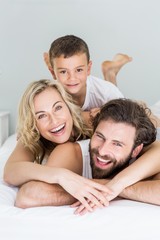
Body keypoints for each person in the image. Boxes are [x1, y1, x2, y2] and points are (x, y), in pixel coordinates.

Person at [14, 99, 160, 214]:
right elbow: (28, 195)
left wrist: (116, 187)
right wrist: (110, 188)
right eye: (100, 136)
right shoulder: (70, 153)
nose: (102, 151)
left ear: (136, 150)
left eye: (117, 144)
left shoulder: (144, 156)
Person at [3, 79, 113, 211]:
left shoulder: (90, 120)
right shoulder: (32, 136)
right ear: (33, 123)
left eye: (58, 108)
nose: (54, 121)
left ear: (68, 106)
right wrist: (61, 176)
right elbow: (10, 172)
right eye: (42, 116)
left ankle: (110, 77)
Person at [43, 34, 128, 125]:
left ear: (88, 69)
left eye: (79, 70)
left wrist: (107, 114)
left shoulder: (106, 91)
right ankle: (110, 72)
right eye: (63, 72)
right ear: (52, 73)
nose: (72, 78)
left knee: (114, 112)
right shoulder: (50, 94)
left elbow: (127, 118)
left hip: (105, 95)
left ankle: (110, 73)